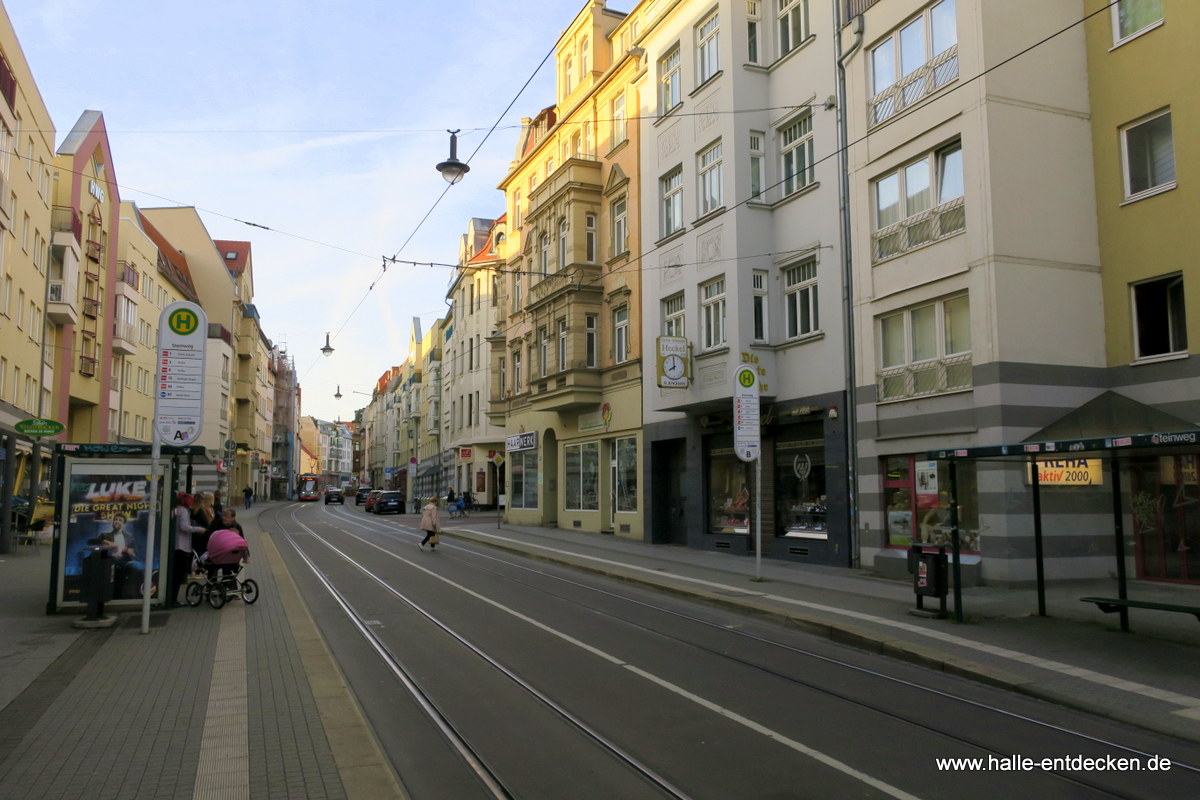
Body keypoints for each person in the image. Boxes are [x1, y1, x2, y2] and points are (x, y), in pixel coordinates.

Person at [172, 493, 205, 607]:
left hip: (178, 545)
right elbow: (184, 527)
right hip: (182, 546)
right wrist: (198, 529)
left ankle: (172, 598)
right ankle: (173, 599)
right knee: (178, 574)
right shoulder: (184, 511)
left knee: (176, 573)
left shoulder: (178, 509)